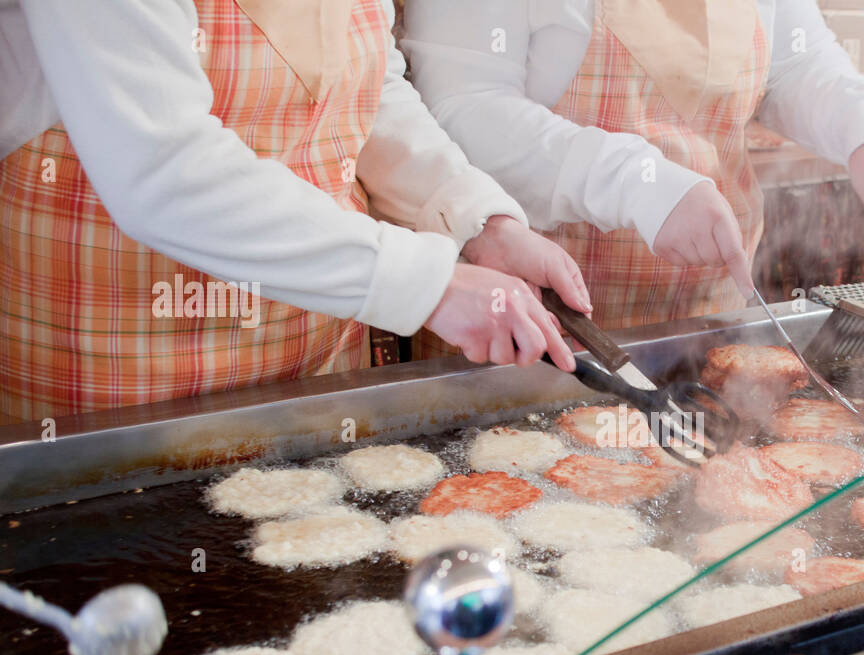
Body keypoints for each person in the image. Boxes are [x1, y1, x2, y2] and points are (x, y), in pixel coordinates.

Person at [0, 0, 586, 423]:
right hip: (120, 383)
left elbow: (366, 89)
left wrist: (475, 222)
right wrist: (430, 284)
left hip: (313, 363)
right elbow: (163, 167)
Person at [400, 0, 864, 338]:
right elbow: (459, 107)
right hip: (529, 319)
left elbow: (795, 62)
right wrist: (637, 184)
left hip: (709, 315)